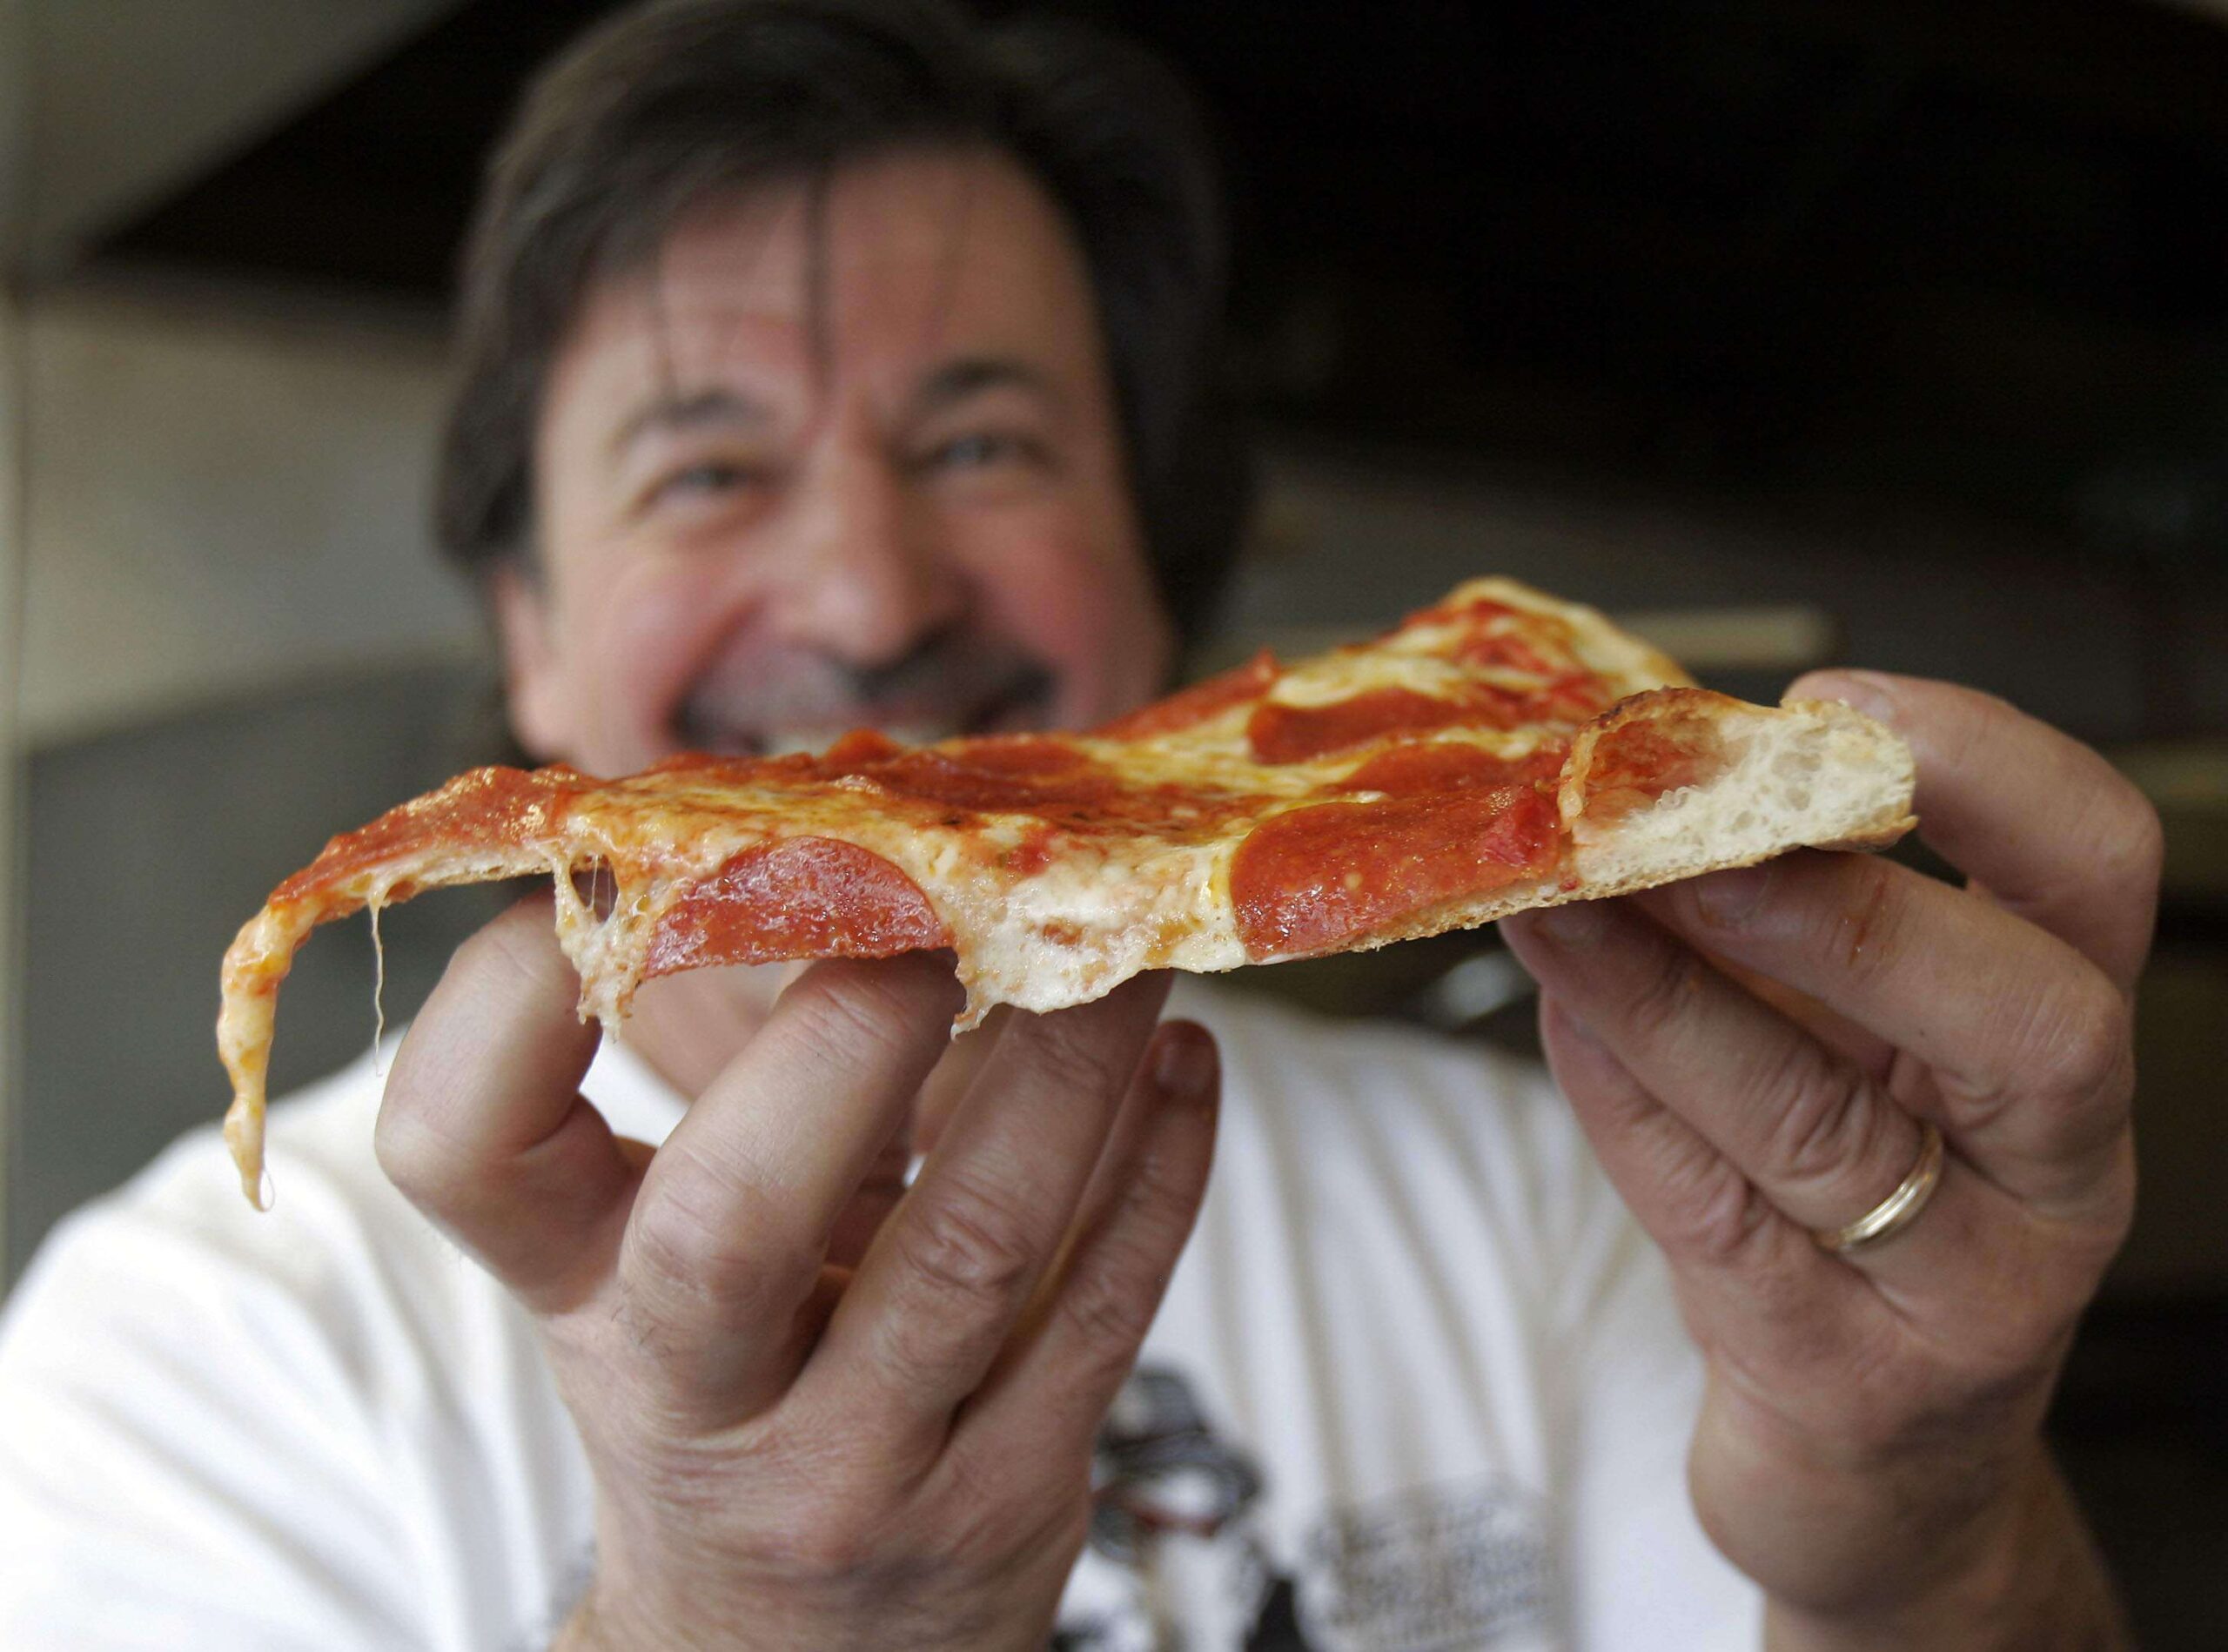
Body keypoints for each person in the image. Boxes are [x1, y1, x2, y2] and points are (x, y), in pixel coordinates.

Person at [0, 2, 2156, 1647]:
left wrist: (1925, 1530)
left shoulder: (1593, 1195)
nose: (866, 593)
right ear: (532, 647)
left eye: (986, 439)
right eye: (705, 471)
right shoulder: (177, 1369)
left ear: (1163, 592)